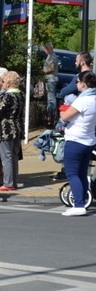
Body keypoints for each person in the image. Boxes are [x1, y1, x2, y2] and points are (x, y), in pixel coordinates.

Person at [59, 71, 96, 216]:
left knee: (72, 173)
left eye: (77, 82)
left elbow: (65, 115)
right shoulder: (94, 98)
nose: (76, 84)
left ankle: (79, 205)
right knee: (81, 173)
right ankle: (83, 200)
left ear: (83, 84)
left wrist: (63, 110)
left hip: (75, 140)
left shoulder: (82, 100)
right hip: (89, 140)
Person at [0, 71, 25, 191]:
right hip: (18, 127)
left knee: (6, 157)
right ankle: (13, 182)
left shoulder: (7, 95)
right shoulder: (21, 94)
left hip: (6, 129)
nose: (3, 83)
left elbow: (0, 112)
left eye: (4, 81)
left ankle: (8, 183)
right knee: (14, 156)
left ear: (9, 83)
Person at [42, 42, 59, 126]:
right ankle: (50, 115)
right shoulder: (50, 56)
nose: (44, 51)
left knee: (51, 98)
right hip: (49, 79)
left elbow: (51, 68)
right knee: (50, 97)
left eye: (44, 49)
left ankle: (52, 117)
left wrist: (42, 71)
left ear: (48, 48)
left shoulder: (52, 56)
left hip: (51, 79)